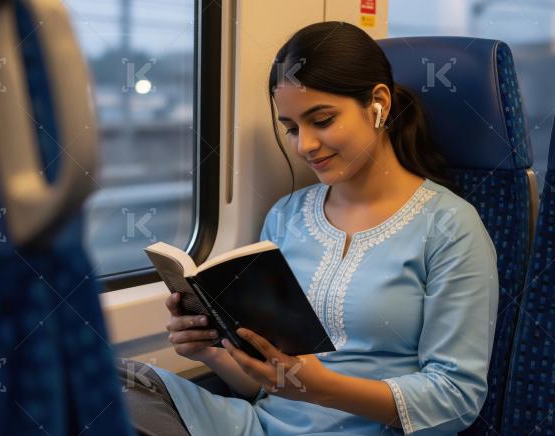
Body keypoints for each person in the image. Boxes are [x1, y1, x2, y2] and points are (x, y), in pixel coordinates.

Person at [118, 21, 499, 435]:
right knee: (106, 379)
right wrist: (210, 351)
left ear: (379, 103)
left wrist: (322, 389)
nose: (305, 146)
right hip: (258, 426)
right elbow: (264, 383)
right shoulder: (286, 216)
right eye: (293, 128)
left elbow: (456, 400)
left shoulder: (450, 227)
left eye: (322, 120)